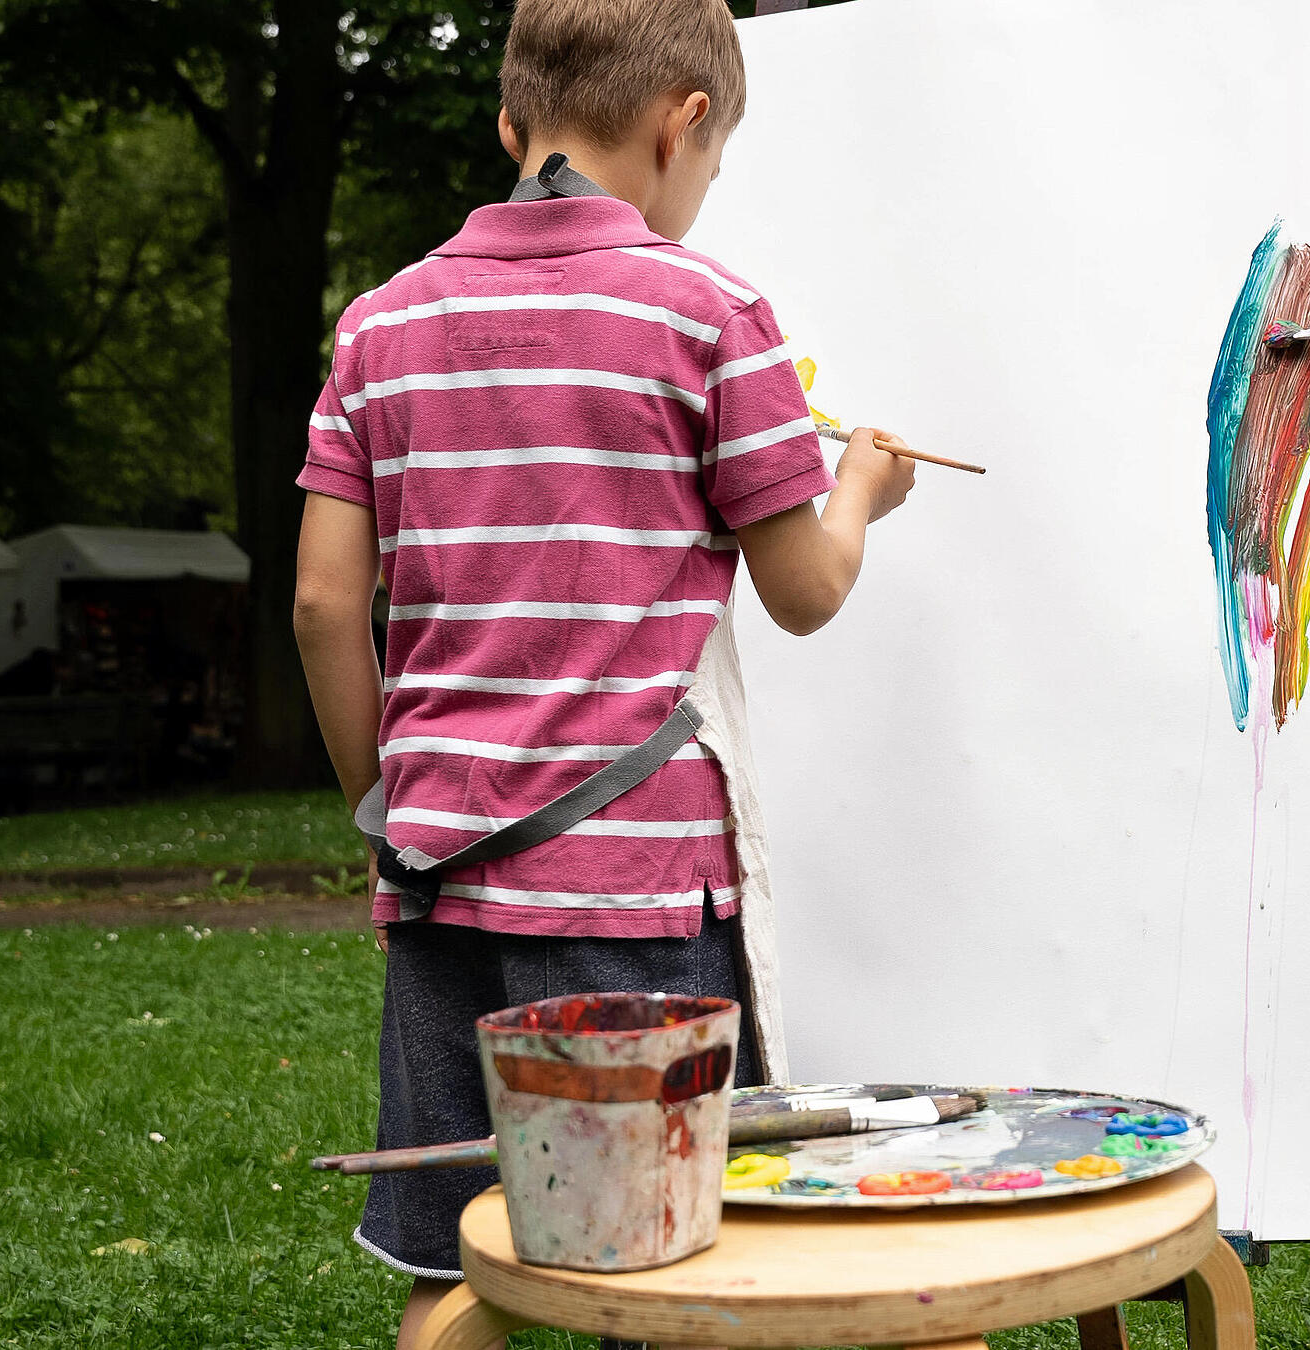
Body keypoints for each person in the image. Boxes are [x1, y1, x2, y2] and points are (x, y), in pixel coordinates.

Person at [289, 1, 914, 1342]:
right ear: (683, 122)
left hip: (439, 877)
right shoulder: (712, 311)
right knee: (677, 1265)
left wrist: (383, 804)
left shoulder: (379, 326)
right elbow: (804, 590)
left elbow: (322, 602)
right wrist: (862, 487)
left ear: (514, 122)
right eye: (716, 162)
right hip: (638, 891)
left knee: (455, 1270)